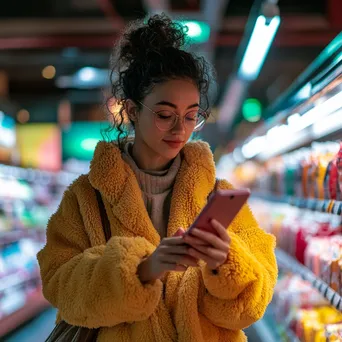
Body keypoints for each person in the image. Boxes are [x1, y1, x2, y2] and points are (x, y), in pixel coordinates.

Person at [37, 14, 277, 342]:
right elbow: (59, 284)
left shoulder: (219, 196)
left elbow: (253, 305)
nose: (181, 129)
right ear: (133, 111)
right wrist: (142, 270)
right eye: (165, 115)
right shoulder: (85, 198)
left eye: (192, 115)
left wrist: (227, 262)